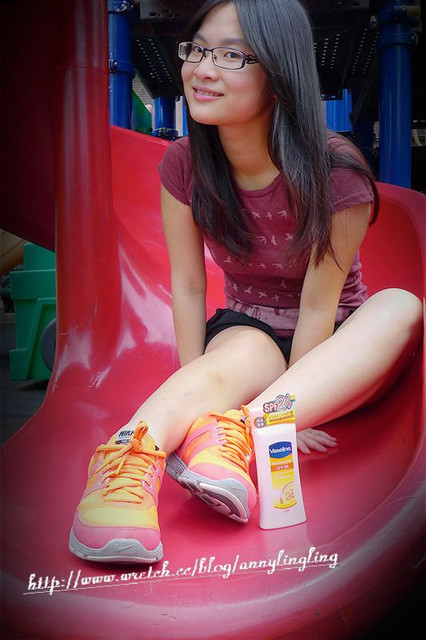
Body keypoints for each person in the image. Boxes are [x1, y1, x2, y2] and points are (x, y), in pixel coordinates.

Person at [69, 0, 422, 564]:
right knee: (243, 347)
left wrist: (291, 412)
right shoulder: (185, 164)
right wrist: (195, 391)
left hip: (337, 339)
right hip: (250, 329)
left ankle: (247, 423)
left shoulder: (335, 171)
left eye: (232, 56)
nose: (203, 69)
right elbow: (189, 285)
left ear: (279, 74)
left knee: (402, 305)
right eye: (198, 50)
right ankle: (127, 461)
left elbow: (318, 305)